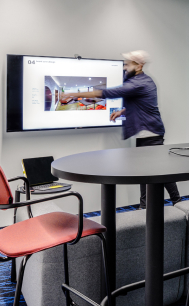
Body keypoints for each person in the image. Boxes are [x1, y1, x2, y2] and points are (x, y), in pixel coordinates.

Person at [60, 50, 181, 209]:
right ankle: (160, 204)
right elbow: (142, 106)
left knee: (154, 173)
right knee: (152, 172)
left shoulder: (139, 83)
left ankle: (157, 205)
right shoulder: (141, 80)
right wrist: (122, 111)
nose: (125, 67)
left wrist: (73, 94)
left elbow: (108, 93)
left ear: (138, 66)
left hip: (150, 134)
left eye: (128, 64)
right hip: (149, 133)